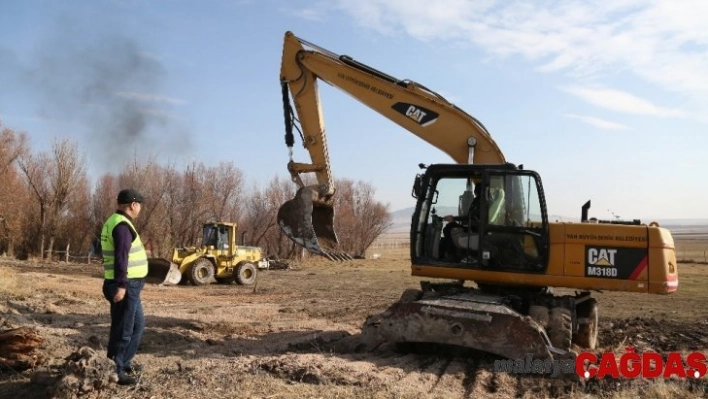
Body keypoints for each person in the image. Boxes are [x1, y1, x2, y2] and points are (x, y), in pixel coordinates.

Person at [101, 188, 148, 386]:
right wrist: (121, 285)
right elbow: (121, 258)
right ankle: (116, 371)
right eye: (140, 206)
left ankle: (124, 362)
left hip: (130, 285)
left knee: (137, 326)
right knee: (123, 330)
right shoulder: (121, 226)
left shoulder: (116, 221)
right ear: (133, 205)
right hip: (125, 285)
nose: (140, 210)